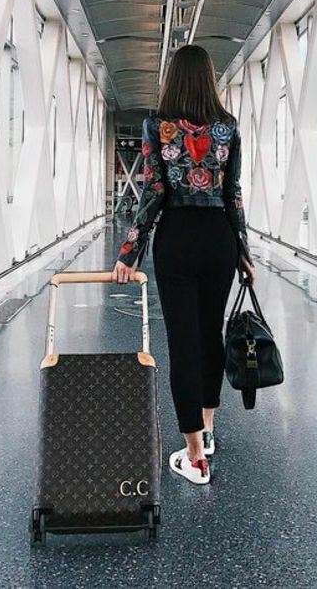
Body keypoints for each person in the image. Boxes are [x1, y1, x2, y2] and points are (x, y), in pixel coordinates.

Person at [111, 44, 255, 486]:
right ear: (209, 78)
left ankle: (194, 454)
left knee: (184, 342)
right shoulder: (227, 128)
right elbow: (233, 193)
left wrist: (129, 251)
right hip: (219, 239)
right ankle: (207, 430)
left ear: (172, 78)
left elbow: (153, 190)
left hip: (176, 238)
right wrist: (244, 251)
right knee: (210, 336)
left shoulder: (157, 126)